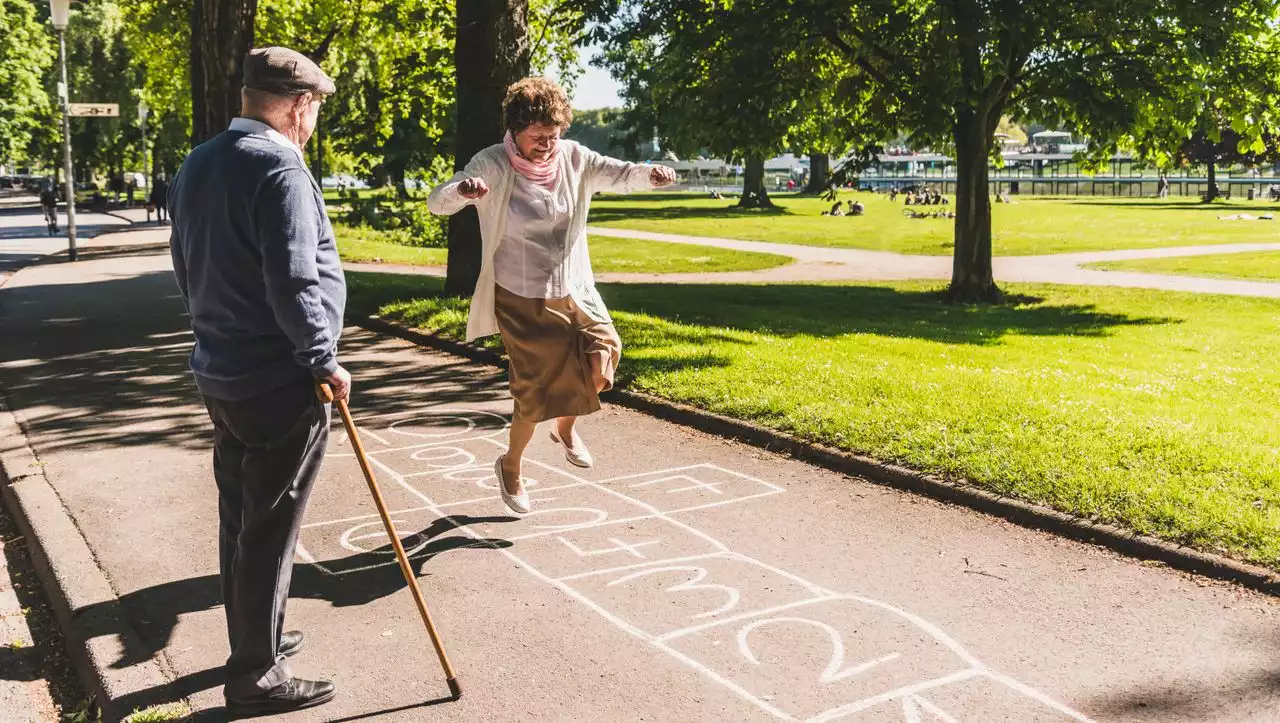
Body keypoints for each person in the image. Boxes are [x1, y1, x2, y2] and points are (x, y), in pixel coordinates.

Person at [167, 47, 344, 717]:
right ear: (299, 105)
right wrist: (323, 358)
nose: (313, 123)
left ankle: (258, 639)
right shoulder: (280, 168)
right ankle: (256, 673)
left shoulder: (199, 161)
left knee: (240, 517)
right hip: (278, 379)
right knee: (269, 526)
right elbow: (294, 280)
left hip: (221, 371)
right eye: (315, 111)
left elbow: (185, 263)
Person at [427, 77, 675, 515]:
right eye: (538, 137)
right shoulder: (492, 164)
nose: (547, 145)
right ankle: (511, 465)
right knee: (535, 392)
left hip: (573, 285)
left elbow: (619, 173)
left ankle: (565, 428)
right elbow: (439, 201)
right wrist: (463, 193)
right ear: (515, 130)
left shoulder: (574, 157)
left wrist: (650, 175)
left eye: (554, 135)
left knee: (605, 354)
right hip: (520, 295)